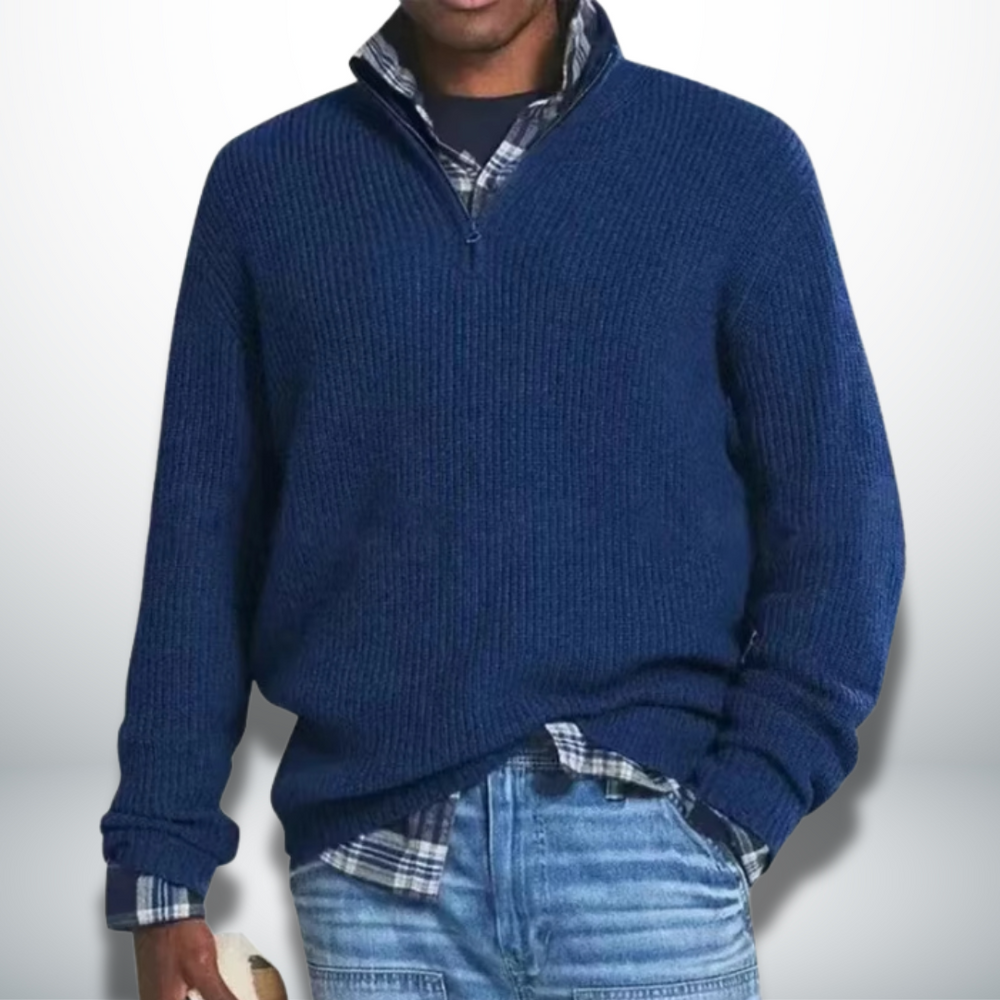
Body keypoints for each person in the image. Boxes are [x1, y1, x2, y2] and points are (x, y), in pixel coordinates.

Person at [99, 1, 906, 997]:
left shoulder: (736, 165)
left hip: (647, 858)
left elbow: (842, 528)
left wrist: (741, 806)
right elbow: (200, 547)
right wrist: (161, 870)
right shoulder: (265, 188)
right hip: (375, 873)